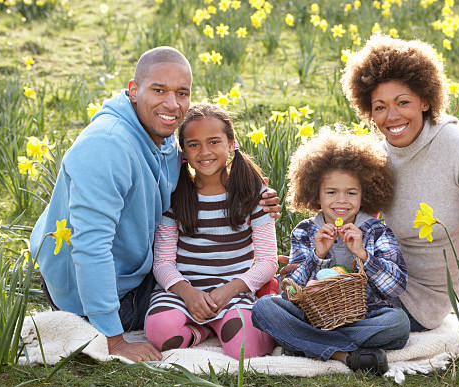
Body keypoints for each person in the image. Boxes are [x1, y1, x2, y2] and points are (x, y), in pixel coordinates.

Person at [29, 47, 281, 363]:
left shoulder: (162, 142)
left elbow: (210, 182)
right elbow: (90, 248)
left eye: (182, 93)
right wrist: (115, 341)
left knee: (230, 298)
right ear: (134, 91)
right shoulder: (105, 147)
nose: (172, 104)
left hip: (137, 274)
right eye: (159, 90)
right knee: (166, 324)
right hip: (97, 293)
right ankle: (218, 319)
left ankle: (246, 299)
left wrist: (255, 196)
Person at [340, 35, 459, 347]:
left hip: (421, 304)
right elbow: (357, 224)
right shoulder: (380, 158)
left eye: (403, 102)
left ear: (425, 100)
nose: (391, 117)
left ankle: (307, 337)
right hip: (377, 279)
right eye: (380, 107)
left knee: (302, 316)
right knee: (297, 303)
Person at [252, 127, 410, 375]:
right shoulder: (305, 231)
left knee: (398, 324)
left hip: (365, 316)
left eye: (351, 192)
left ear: (364, 193)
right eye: (331, 192)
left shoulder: (377, 231)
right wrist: (317, 256)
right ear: (316, 192)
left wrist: (364, 255)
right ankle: (344, 355)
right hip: (314, 316)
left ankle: (303, 343)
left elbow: (396, 287)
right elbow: (290, 292)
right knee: (264, 309)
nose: (341, 201)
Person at [144, 103, 276, 359]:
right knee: (159, 331)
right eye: (193, 144)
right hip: (183, 294)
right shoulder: (174, 196)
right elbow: (162, 263)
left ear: (231, 143)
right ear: (184, 152)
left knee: (246, 349)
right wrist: (188, 293)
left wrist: (228, 291)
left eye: (214, 141)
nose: (204, 152)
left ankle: (221, 326)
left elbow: (268, 262)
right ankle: (201, 332)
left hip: (233, 292)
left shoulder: (253, 195)